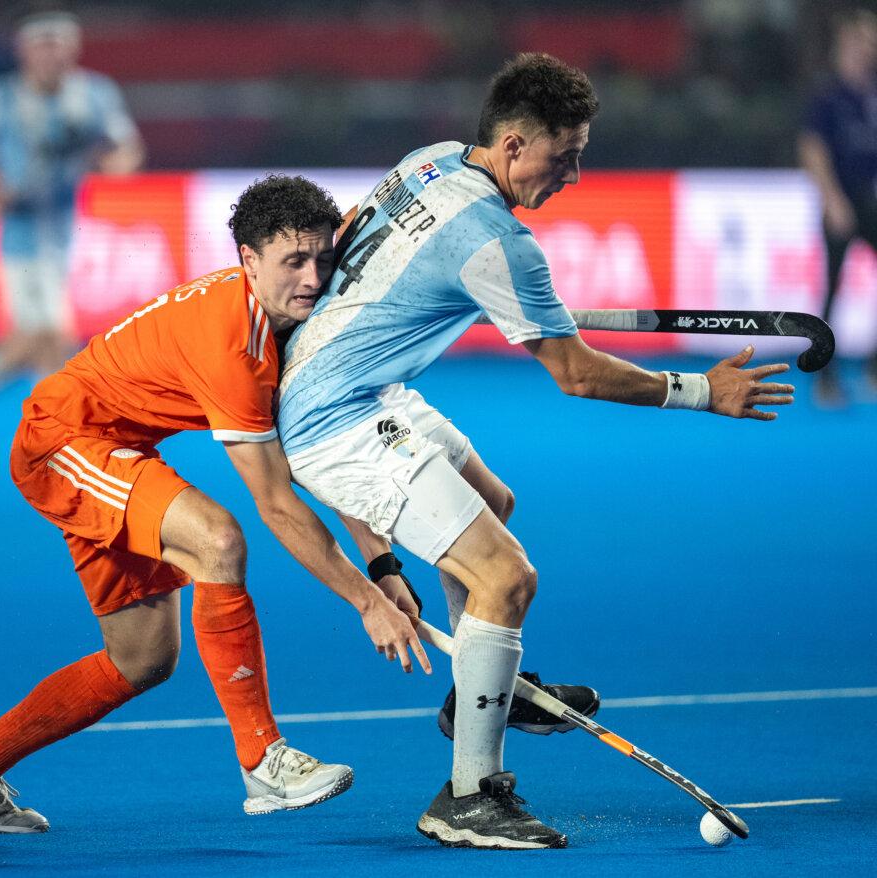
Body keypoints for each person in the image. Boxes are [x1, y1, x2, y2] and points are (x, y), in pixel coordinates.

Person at [275, 52, 796, 850]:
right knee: (507, 577)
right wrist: (702, 391)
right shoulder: (497, 242)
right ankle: (468, 795)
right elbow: (577, 374)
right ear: (515, 144)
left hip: (360, 386)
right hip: (336, 417)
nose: (575, 176)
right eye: (567, 156)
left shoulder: (432, 161)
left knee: (493, 502)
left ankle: (477, 688)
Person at [0, 174, 430, 834]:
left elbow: (317, 458)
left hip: (120, 450)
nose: (312, 279)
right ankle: (263, 762)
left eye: (323, 259)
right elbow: (276, 501)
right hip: (63, 442)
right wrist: (366, 603)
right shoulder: (234, 344)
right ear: (249, 260)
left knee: (143, 660)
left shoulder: (292, 322)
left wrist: (384, 569)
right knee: (218, 538)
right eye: (293, 262)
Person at [0, 4, 146, 458]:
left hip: (65, 229)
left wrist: (112, 164)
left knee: (33, 341)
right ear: (24, 51)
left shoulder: (94, 94)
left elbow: (125, 149)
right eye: (41, 46)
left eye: (58, 46)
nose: (50, 56)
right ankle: (61, 436)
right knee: (49, 337)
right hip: (22, 234)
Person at [798, 7, 877, 405]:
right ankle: (825, 376)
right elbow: (812, 148)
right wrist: (832, 198)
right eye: (861, 40)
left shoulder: (872, 95)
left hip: (871, 199)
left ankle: (873, 366)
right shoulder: (828, 96)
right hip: (841, 200)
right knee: (833, 288)